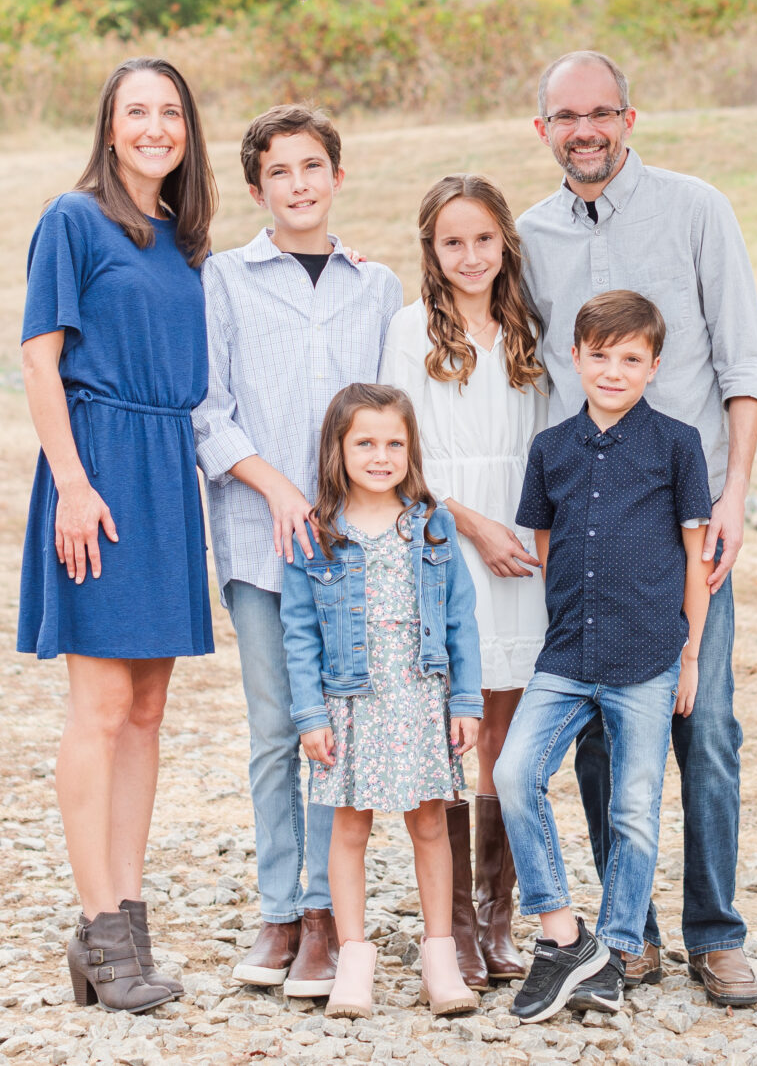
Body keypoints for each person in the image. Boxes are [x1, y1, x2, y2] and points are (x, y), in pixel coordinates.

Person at [517, 51, 757, 1006]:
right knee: (595, 739)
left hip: (686, 528)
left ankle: (716, 932)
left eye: (601, 112)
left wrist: (736, 494)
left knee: (702, 727)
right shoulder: (528, 235)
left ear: (631, 117)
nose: (585, 129)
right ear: (541, 129)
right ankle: (634, 937)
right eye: (565, 116)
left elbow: (744, 365)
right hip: (582, 533)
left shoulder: (697, 210)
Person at [16, 57, 217, 1014]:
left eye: (170, 111)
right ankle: (99, 930)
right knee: (98, 706)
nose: (154, 126)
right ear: (109, 126)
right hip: (96, 464)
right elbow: (39, 358)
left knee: (147, 711)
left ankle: (127, 921)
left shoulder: (184, 238)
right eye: (136, 110)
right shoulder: (71, 219)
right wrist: (71, 483)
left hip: (165, 470)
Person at [192, 105, 402, 999]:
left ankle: (327, 912)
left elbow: (393, 414)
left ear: (338, 176)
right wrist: (277, 486)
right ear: (256, 189)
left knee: (338, 732)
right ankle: (281, 907)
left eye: (313, 166)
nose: (300, 184)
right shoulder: (226, 278)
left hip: (354, 551)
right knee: (277, 728)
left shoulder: (377, 284)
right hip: (258, 538)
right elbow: (206, 406)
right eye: (280, 172)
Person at [494, 290, 712, 1024]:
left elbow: (694, 556)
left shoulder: (678, 444)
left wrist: (689, 657)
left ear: (653, 365)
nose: (613, 370)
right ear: (577, 357)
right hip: (567, 653)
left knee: (635, 809)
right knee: (514, 772)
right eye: (599, 355)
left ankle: (614, 954)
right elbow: (550, 549)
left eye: (630, 358)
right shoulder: (551, 448)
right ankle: (563, 933)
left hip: (649, 655)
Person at [380, 174, 556, 986]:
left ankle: (498, 919)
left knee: (508, 739)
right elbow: (399, 457)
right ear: (431, 250)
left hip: (523, 550)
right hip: (449, 544)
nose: (471, 255)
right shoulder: (411, 329)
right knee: (452, 734)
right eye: (453, 241)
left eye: (484, 238)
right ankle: (448, 923)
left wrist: (533, 535)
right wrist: (474, 525)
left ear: (505, 242)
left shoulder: (530, 328)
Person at [282, 384, 486, 1019]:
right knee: (349, 827)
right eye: (364, 442)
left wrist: (466, 700)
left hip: (422, 696)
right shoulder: (318, 533)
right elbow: (298, 632)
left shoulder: (432, 525)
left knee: (430, 822)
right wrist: (311, 716)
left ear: (411, 449)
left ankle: (440, 957)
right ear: (337, 450)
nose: (380, 455)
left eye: (394, 443)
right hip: (351, 702)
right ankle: (353, 959)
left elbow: (461, 619)